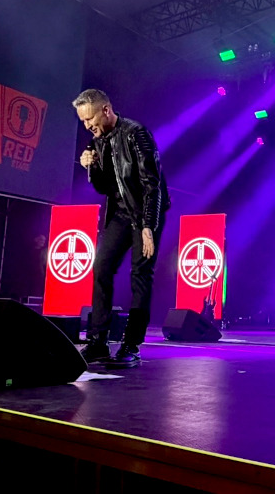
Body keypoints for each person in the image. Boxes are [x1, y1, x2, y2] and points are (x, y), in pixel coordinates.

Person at [76, 89, 170, 367]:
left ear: (105, 110)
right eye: (83, 121)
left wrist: (148, 225)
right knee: (101, 267)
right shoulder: (98, 141)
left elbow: (152, 185)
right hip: (119, 213)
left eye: (89, 119)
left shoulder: (136, 133)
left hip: (146, 213)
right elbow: (103, 187)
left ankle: (132, 345)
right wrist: (91, 166)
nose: (87, 126)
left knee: (140, 273)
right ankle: (97, 342)